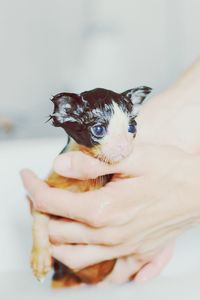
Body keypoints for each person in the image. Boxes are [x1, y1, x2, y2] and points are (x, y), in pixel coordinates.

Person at [21, 58, 200, 283]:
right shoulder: (67, 164)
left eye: (130, 127)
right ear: (66, 114)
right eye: (99, 130)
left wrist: (192, 192)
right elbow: (42, 207)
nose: (124, 145)